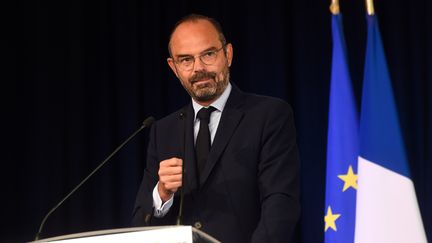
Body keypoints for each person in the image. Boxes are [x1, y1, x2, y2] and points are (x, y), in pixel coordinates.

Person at [132, 14, 300, 243]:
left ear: (228, 54)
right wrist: (162, 194)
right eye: (186, 60)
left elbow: (280, 203)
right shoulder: (163, 131)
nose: (199, 68)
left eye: (208, 54)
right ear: (174, 67)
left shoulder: (269, 115)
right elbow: (141, 222)